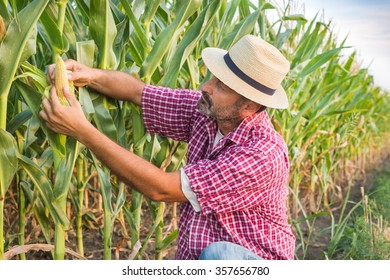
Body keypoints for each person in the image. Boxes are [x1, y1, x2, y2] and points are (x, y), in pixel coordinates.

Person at [40, 34, 296, 260]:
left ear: (249, 106)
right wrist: (91, 75)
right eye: (213, 78)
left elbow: (161, 188)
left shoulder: (262, 155)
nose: (205, 87)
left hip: (251, 261)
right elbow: (140, 93)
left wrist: (82, 131)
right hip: (199, 258)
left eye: (221, 86)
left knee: (219, 255)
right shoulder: (209, 112)